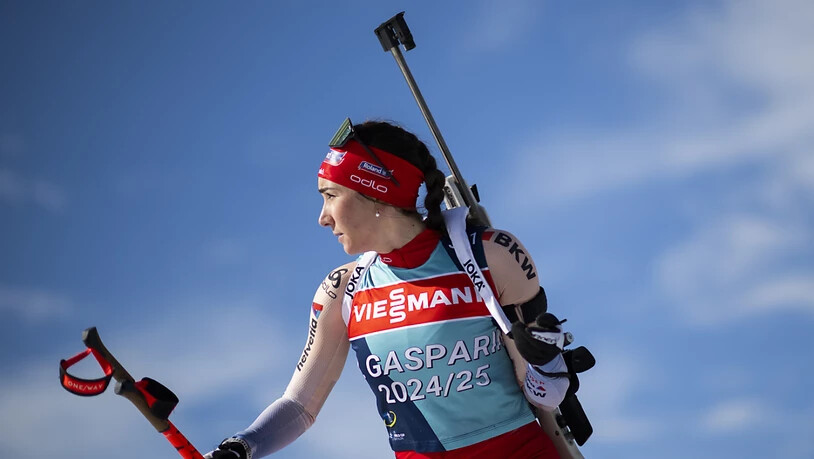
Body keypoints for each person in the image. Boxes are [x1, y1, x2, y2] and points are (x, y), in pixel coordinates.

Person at [205, 119, 571, 459]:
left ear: (376, 193)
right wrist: (241, 447)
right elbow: (300, 407)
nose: (323, 216)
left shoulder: (488, 254)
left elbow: (547, 395)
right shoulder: (342, 289)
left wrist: (547, 361)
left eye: (331, 195)